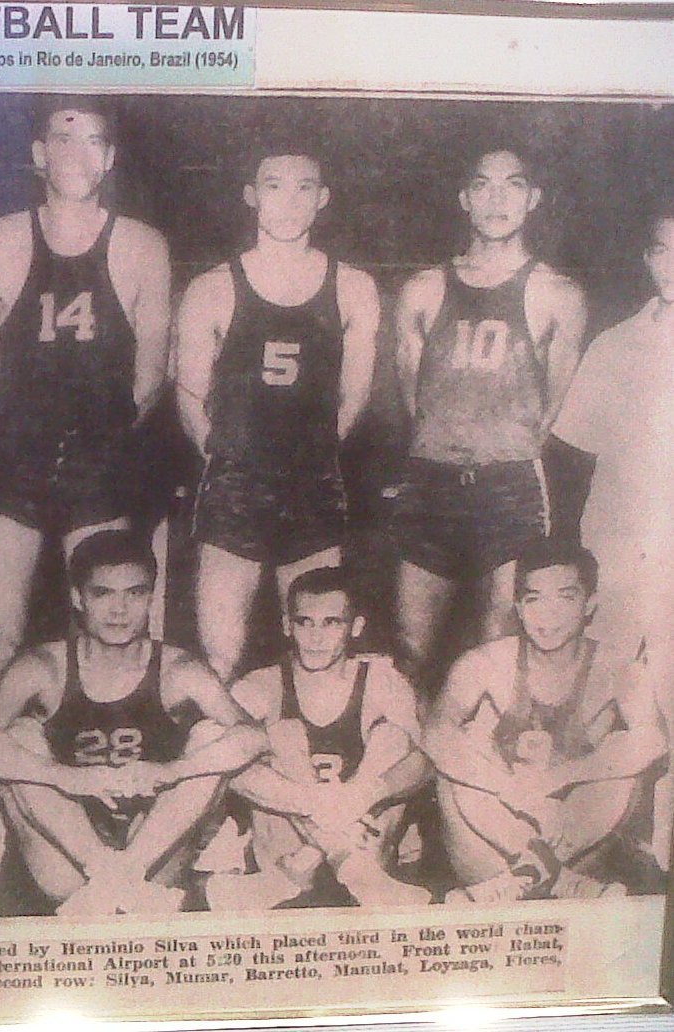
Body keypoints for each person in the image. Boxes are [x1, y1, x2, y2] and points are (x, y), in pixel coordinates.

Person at [0, 97, 172, 680]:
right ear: (39, 154)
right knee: (2, 640)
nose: (77, 154)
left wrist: (102, 447)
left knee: (106, 636)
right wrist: (14, 439)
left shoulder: (142, 245)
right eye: (63, 139)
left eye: (92, 141)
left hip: (99, 461)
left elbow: (150, 378)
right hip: (13, 459)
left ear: (109, 158)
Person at [0, 530, 263, 916]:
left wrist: (172, 771)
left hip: (150, 853)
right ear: (79, 599)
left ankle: (117, 878)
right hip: (69, 851)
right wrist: (63, 777)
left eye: (134, 594)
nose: (119, 610)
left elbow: (253, 737)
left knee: (214, 735)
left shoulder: (178, 668)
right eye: (103, 594)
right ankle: (111, 876)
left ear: (151, 599)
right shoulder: (44, 666)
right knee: (17, 735)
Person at [175, 145, 379, 681]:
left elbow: (355, 395)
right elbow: (190, 395)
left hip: (313, 487)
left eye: (303, 187)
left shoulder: (355, 287)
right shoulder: (212, 287)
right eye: (274, 186)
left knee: (318, 652)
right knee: (220, 655)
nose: (289, 201)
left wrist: (312, 458)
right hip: (236, 488)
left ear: (322, 199)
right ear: (251, 196)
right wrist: (228, 461)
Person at [391, 147, 587, 682]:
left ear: (534, 199)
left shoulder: (558, 294)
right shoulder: (423, 289)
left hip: (509, 488)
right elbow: (413, 400)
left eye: (513, 185)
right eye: (483, 185)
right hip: (431, 484)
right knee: (410, 649)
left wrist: (495, 441)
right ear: (465, 199)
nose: (497, 199)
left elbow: (552, 410)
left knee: (500, 651)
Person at [425, 539, 665, 902]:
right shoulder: (485, 663)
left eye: (565, 599)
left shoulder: (618, 668)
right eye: (534, 600)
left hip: (572, 841)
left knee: (623, 749)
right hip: (496, 843)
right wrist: (514, 792)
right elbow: (435, 734)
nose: (547, 616)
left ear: (590, 604)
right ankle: (547, 876)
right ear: (519, 609)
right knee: (467, 740)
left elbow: (654, 741)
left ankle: (528, 875)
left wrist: (557, 778)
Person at [549, 203, 674, 867]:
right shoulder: (615, 344)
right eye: (661, 249)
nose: (670, 266)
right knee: (606, 698)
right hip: (620, 553)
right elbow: (576, 454)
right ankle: (584, 847)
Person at [217, 566, 431, 909]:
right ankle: (335, 862)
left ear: (355, 627)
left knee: (394, 738)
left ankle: (332, 862)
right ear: (287, 625)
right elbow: (228, 770)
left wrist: (361, 795)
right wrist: (311, 802)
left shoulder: (383, 681)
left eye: (331, 623)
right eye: (305, 622)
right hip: (285, 851)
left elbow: (421, 765)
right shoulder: (260, 685)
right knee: (278, 736)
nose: (315, 638)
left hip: (365, 845)